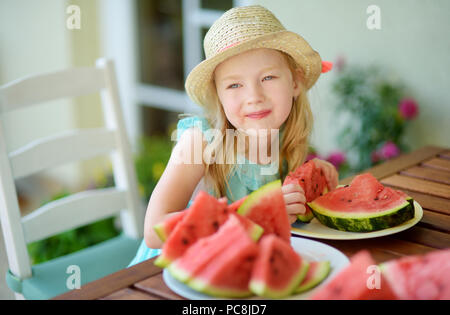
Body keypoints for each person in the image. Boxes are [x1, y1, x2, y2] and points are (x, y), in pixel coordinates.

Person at [128, 5, 338, 267]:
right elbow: (153, 232)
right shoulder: (200, 141)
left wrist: (311, 186)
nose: (254, 97)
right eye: (234, 85)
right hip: (168, 271)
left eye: (268, 77)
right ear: (219, 95)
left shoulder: (285, 136)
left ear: (295, 83)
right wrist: (257, 214)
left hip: (240, 265)